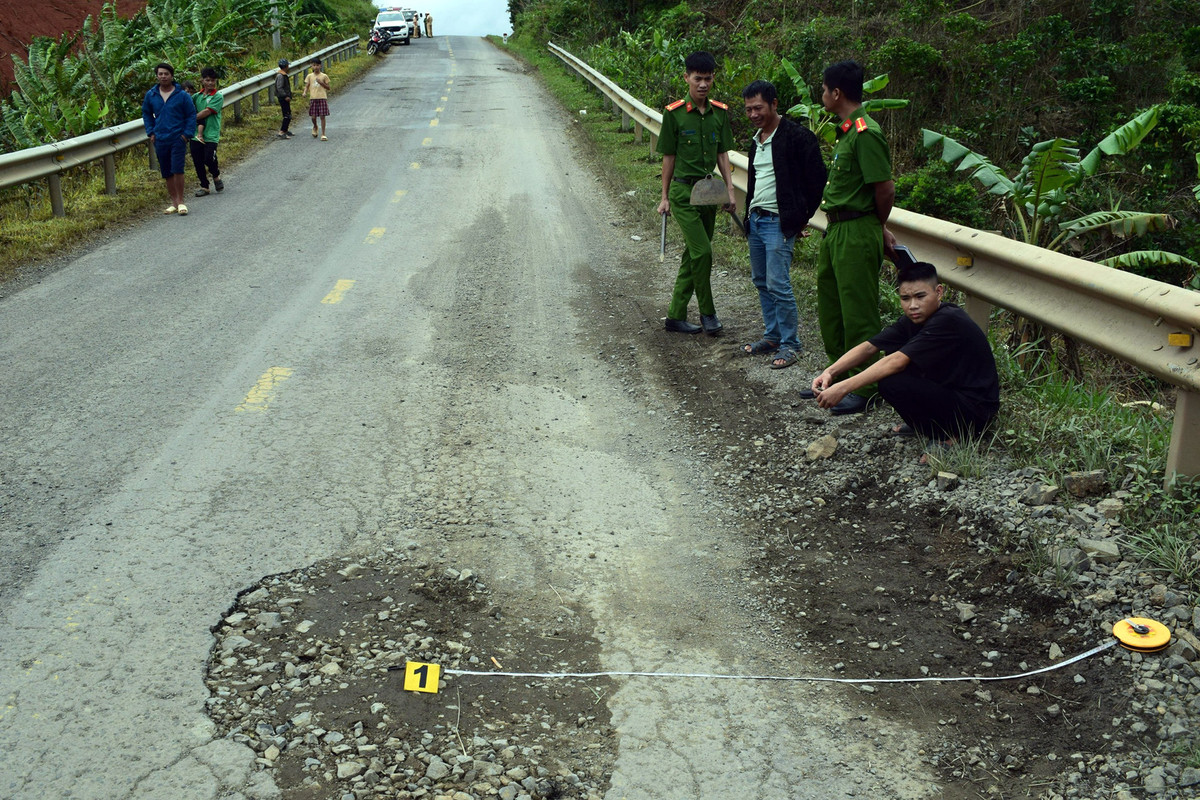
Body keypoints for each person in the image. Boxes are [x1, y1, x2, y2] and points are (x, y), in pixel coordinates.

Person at [812, 261, 999, 459]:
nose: (913, 306)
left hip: (975, 409)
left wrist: (843, 388)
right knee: (891, 361)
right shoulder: (912, 320)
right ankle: (925, 424)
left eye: (920, 296)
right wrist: (830, 372)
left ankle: (949, 435)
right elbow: (870, 346)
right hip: (949, 391)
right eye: (905, 298)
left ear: (939, 292)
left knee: (892, 379)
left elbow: (897, 362)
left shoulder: (948, 319)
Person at [805, 59, 897, 414]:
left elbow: (884, 189)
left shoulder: (865, 133)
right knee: (831, 306)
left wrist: (876, 225)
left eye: (824, 90)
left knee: (858, 311)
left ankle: (867, 386)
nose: (821, 95)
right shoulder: (845, 132)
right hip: (837, 228)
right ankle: (834, 378)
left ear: (836, 92)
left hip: (858, 229)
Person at [739, 79, 827, 368]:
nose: (753, 115)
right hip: (756, 220)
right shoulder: (756, 141)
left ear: (774, 104)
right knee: (761, 281)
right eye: (749, 109)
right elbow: (755, 183)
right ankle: (772, 336)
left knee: (778, 283)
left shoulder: (798, 137)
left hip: (779, 223)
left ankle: (791, 344)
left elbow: (817, 182)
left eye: (758, 108)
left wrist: (799, 218)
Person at [657, 50, 737, 335]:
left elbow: (722, 155)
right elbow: (668, 157)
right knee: (703, 252)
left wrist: (729, 190)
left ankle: (675, 316)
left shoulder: (720, 113)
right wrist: (664, 196)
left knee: (692, 255)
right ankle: (708, 313)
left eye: (707, 79)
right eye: (697, 79)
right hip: (682, 191)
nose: (702, 85)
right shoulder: (675, 114)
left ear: (713, 78)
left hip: (709, 192)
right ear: (687, 78)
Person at [142, 62, 196, 216]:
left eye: (166, 74)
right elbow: (146, 113)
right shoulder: (151, 95)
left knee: (178, 169)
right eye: (160, 74)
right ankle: (173, 202)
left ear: (172, 76)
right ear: (157, 76)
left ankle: (181, 201)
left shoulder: (182, 95)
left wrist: (186, 135)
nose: (163, 76)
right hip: (160, 138)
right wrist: (151, 132)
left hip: (177, 137)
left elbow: (191, 115)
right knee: (166, 171)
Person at [190, 67, 224, 197]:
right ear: (202, 81)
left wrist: (190, 118)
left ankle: (215, 175)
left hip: (211, 134)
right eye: (207, 80)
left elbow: (207, 112)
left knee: (209, 158)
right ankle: (204, 186)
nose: (210, 83)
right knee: (197, 161)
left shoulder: (217, 96)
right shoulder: (196, 97)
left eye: (212, 80)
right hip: (195, 135)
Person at [304, 58, 331, 140]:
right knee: (313, 117)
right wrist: (305, 92)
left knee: (322, 116)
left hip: (322, 97)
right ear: (311, 66)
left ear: (320, 66)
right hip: (313, 98)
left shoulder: (324, 76)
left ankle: (323, 134)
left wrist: (321, 83)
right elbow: (307, 85)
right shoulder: (309, 76)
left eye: (317, 65)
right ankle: (315, 126)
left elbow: (328, 87)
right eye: (314, 65)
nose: (316, 67)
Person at [275, 59, 294, 139]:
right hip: (283, 98)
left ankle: (285, 130)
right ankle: (282, 131)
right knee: (287, 115)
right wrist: (285, 96)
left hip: (284, 97)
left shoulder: (282, 75)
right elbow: (279, 87)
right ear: (286, 66)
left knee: (288, 113)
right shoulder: (281, 76)